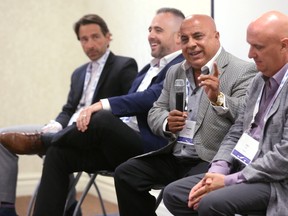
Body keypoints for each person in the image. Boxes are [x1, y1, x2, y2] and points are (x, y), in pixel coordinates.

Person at [1, 8, 186, 216]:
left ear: (179, 37)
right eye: (150, 29)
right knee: (58, 155)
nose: (150, 35)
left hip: (149, 148)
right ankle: (51, 150)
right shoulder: (148, 68)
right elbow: (69, 108)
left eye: (158, 30)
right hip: (117, 144)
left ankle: (44, 141)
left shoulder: (181, 66)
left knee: (102, 117)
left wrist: (102, 104)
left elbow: (150, 97)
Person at [114, 14, 258, 216]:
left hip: (210, 158)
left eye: (198, 36)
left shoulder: (243, 70)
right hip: (176, 154)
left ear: (216, 36)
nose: (191, 44)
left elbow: (247, 117)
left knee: (183, 193)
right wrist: (166, 122)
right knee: (126, 174)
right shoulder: (175, 71)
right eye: (184, 39)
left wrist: (218, 98)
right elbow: (156, 110)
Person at [162, 10, 288, 216]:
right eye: (249, 45)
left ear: (285, 45)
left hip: (274, 180)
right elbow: (239, 128)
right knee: (175, 195)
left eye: (258, 47)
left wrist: (229, 181)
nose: (250, 53)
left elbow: (284, 157)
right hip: (237, 165)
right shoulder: (260, 80)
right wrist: (217, 169)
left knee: (210, 203)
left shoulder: (243, 70)